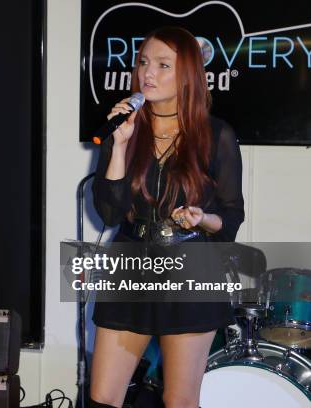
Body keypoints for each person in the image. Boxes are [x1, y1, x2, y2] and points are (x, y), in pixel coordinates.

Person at [89, 27, 244, 408]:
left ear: (188, 73)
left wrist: (201, 218)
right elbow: (108, 213)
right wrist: (120, 146)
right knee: (102, 396)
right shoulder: (124, 129)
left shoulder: (215, 135)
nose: (148, 73)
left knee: (179, 400)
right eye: (143, 62)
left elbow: (232, 217)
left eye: (162, 65)